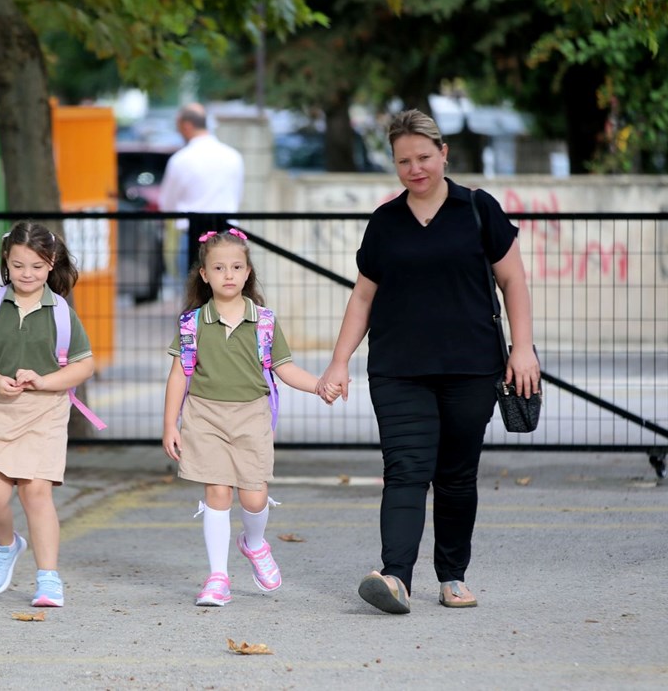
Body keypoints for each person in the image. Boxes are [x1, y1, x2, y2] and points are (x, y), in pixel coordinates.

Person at [316, 109, 540, 614]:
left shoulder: (479, 210)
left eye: (423, 157)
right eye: (403, 161)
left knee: (457, 475)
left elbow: (514, 282)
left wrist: (522, 348)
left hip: (472, 367)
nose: (414, 168)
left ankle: (452, 576)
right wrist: (338, 362)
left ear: (443, 154)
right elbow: (363, 298)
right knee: (405, 470)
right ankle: (395, 577)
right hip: (398, 369)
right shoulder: (385, 221)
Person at [162, 228, 339, 606]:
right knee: (217, 492)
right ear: (204, 275)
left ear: (247, 273)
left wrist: (320, 385)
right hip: (204, 416)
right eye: (220, 267)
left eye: (237, 266)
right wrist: (169, 425)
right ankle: (217, 578)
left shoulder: (265, 322)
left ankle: (254, 543)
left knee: (255, 497)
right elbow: (179, 374)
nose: (229, 274)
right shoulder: (191, 323)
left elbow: (285, 369)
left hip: (252, 417)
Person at [0, 221, 95, 608]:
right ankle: (6, 546)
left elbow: (83, 366)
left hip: (45, 411)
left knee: (36, 493)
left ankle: (48, 578)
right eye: (19, 266)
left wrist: (46, 381)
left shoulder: (62, 313)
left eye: (36, 266)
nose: (27, 274)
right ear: (6, 261)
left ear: (51, 264)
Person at [158, 103, 244, 282]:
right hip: (228, 235)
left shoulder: (180, 160)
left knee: (192, 297)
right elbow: (237, 195)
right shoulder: (233, 156)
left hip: (192, 237)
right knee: (227, 292)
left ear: (187, 125)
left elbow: (166, 203)